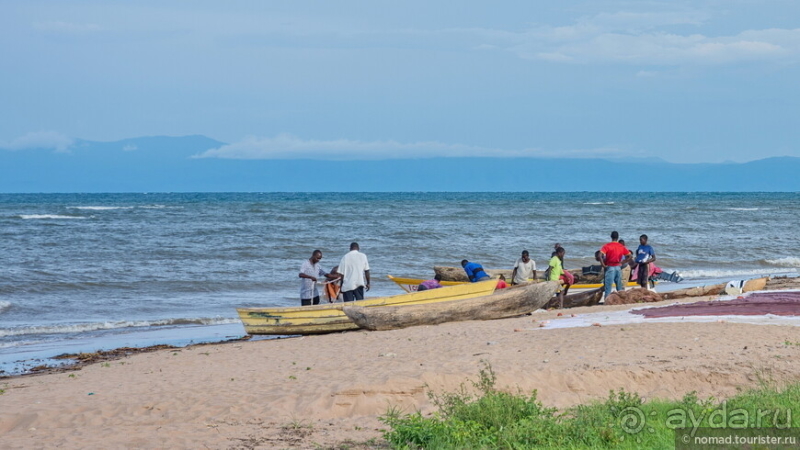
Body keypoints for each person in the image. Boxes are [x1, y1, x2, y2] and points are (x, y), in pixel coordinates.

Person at [599, 231, 632, 299]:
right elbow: (630, 256)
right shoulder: (621, 246)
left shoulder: (607, 245)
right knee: (619, 287)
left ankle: (607, 301)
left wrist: (603, 264)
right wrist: (623, 262)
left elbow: (600, 255)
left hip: (610, 267)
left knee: (608, 287)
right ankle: (621, 300)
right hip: (618, 267)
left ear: (611, 237)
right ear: (617, 237)